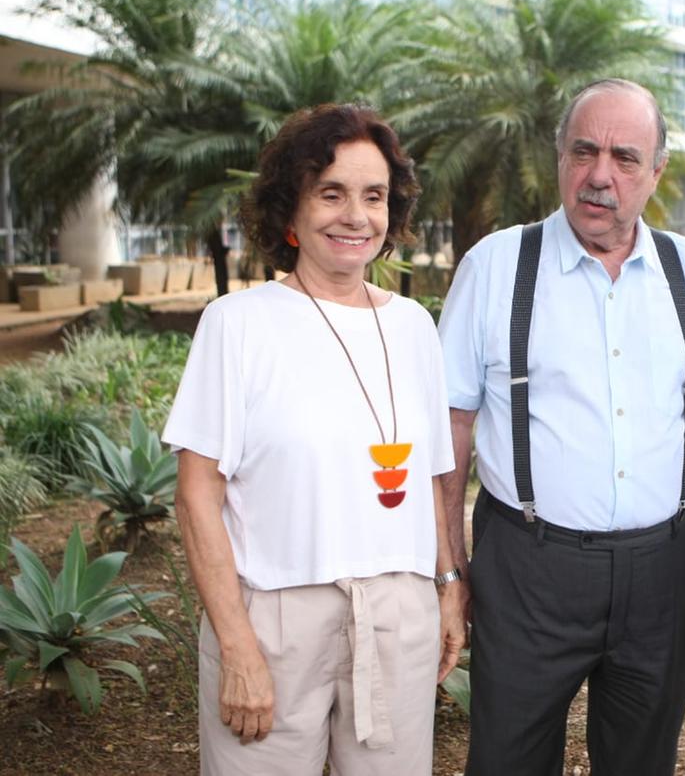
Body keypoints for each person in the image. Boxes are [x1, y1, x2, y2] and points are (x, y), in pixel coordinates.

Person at [438, 78, 685, 775]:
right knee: (506, 761)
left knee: (642, 760)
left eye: (625, 157)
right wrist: (452, 569)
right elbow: (451, 428)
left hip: (665, 572)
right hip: (528, 569)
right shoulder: (494, 267)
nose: (600, 175)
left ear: (657, 171)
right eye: (584, 150)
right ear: (559, 156)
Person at [164, 103, 467, 776]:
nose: (355, 216)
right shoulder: (237, 324)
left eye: (374, 196)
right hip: (274, 617)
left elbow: (431, 474)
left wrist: (448, 586)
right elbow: (196, 494)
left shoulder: (416, 326)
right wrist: (237, 645)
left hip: (398, 609)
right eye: (330, 193)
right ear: (290, 209)